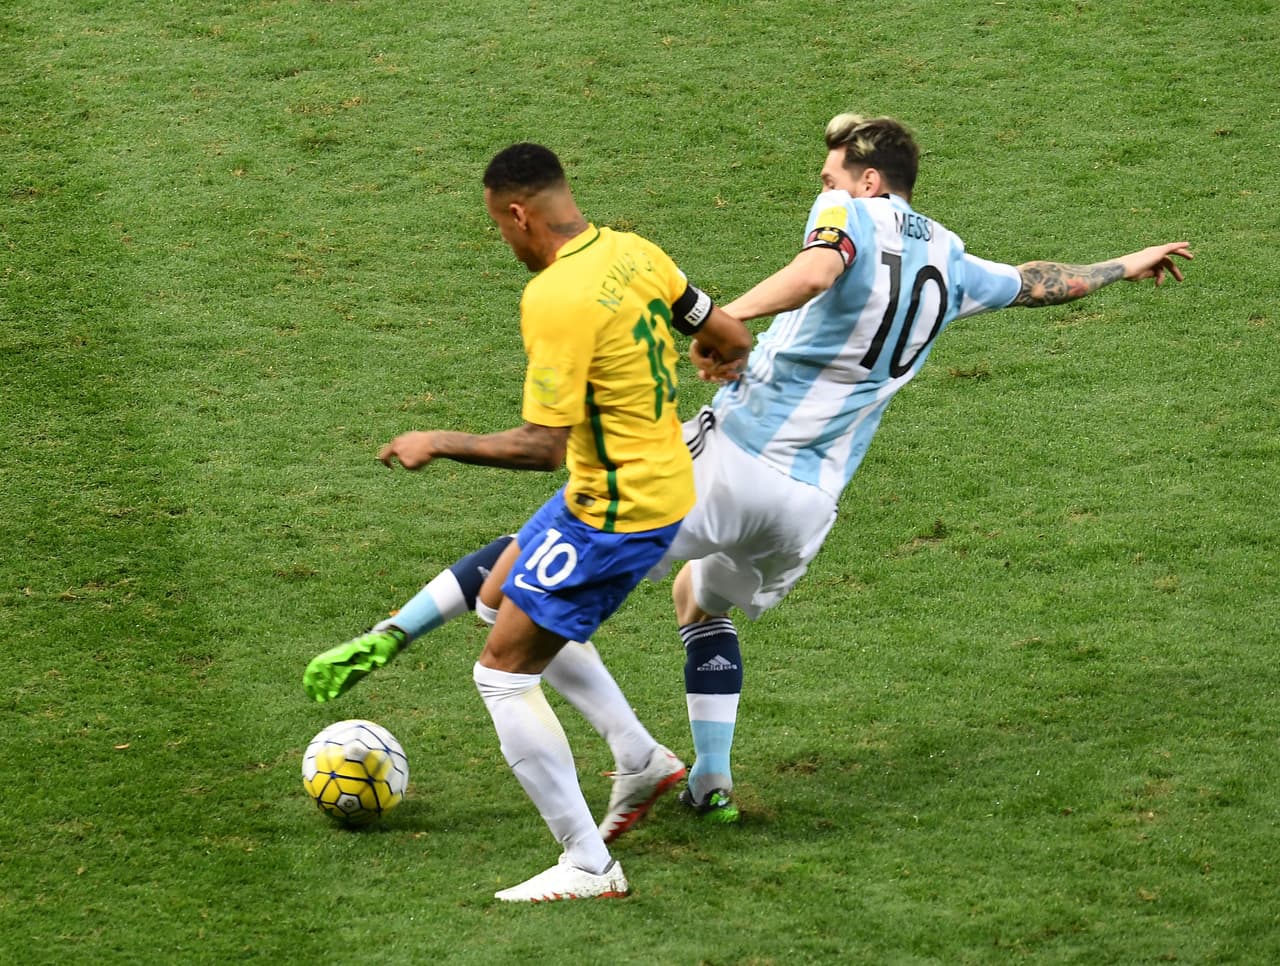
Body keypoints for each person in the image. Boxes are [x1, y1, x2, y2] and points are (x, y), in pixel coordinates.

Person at [651, 113, 1191, 819]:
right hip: (809, 506)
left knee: (552, 564)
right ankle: (710, 783)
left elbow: (816, 270)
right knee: (699, 599)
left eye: (829, 175)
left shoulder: (850, 213)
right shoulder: (950, 258)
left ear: (867, 182)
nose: (821, 187)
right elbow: (1036, 283)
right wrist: (1125, 263)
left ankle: (610, 752)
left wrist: (724, 325)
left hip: (740, 454)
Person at [305, 142, 752, 902]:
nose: (504, 243)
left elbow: (540, 448)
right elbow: (729, 334)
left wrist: (436, 440)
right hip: (654, 480)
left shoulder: (554, 297)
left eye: (498, 228)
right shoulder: (634, 251)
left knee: (502, 673)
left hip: (614, 510)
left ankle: (588, 864)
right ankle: (639, 756)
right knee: (499, 591)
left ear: (519, 214)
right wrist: (712, 356)